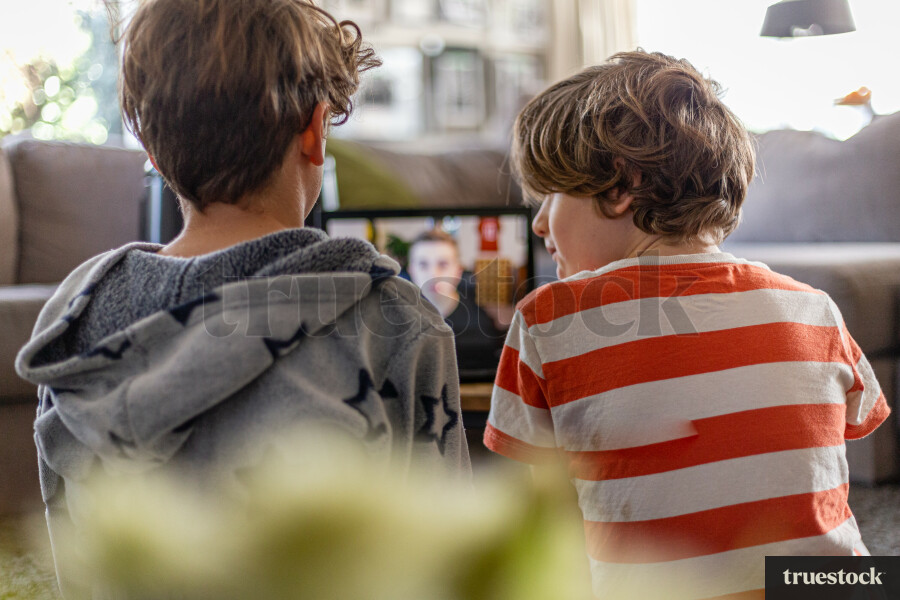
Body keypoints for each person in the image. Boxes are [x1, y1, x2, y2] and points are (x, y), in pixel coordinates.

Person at [15, 0, 470, 596]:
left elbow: (76, 559)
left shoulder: (75, 320)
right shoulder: (396, 319)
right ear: (314, 130)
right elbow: (448, 559)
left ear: (150, 149)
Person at [483, 50, 889, 600]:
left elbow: (549, 531)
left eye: (551, 195)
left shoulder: (546, 318)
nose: (538, 224)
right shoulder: (814, 308)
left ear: (619, 186)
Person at [406, 230, 504, 377]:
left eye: (443, 264)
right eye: (423, 264)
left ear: (458, 271)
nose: (433, 273)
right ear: (411, 271)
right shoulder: (397, 321)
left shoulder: (482, 326)